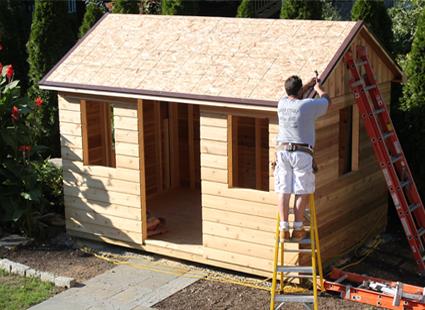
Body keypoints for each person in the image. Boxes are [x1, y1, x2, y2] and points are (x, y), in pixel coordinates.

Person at [274, 75, 331, 242]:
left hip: (283, 152)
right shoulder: (307, 105)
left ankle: (284, 229)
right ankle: (298, 229)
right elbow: (327, 101)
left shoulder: (281, 104)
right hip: (301, 154)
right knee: (302, 190)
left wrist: (308, 84)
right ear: (300, 91)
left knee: (284, 190)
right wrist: (318, 88)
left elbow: (296, 94)